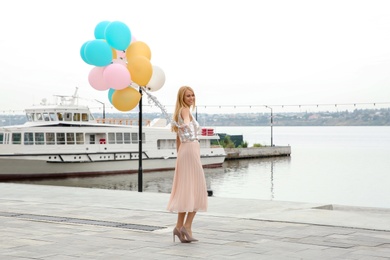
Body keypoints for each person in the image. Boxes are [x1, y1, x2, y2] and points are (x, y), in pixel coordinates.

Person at [167, 86, 208, 243]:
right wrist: (186, 124)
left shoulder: (181, 111)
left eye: (192, 95)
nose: (191, 98)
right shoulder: (184, 111)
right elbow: (185, 123)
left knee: (186, 190)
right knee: (197, 189)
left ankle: (179, 227)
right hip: (189, 151)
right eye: (188, 96)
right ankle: (187, 226)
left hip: (186, 152)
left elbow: (178, 138)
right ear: (182, 98)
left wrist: (179, 157)